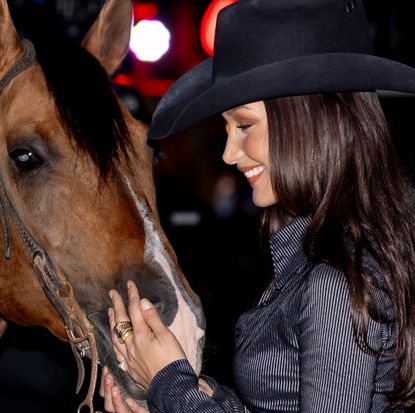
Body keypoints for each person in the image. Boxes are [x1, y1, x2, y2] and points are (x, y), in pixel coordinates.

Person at [101, 0, 415, 411]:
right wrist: (193, 398)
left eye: (244, 125)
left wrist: (170, 385)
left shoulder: (333, 282)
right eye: (228, 129)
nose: (230, 153)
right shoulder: (319, 256)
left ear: (305, 120)